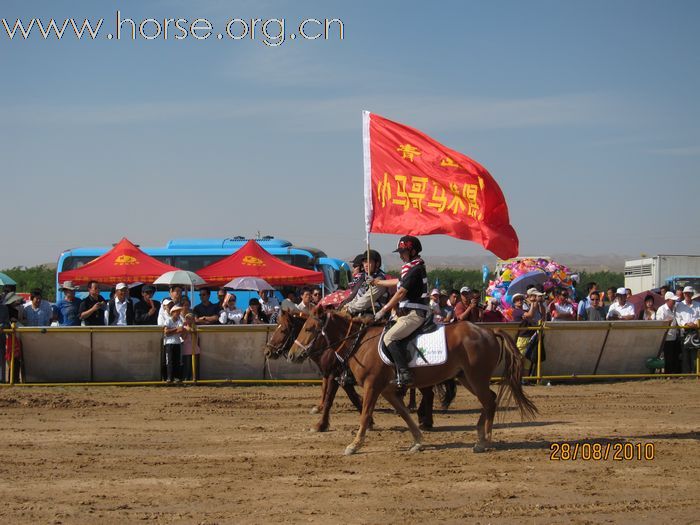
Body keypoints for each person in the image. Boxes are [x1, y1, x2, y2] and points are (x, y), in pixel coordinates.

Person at [371, 235, 429, 387]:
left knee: (389, 338)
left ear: (413, 251)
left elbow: (401, 292)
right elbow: (398, 281)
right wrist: (377, 282)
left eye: (403, 252)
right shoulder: (411, 269)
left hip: (414, 315)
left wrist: (384, 310)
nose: (401, 255)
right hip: (405, 313)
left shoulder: (416, 269)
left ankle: (404, 373)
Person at [340, 250, 388, 316]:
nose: (366, 265)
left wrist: (348, 309)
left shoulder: (380, 281)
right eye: (365, 262)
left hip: (374, 316)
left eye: (369, 262)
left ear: (377, 264)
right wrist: (345, 307)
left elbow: (366, 301)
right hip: (361, 314)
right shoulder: (365, 280)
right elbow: (357, 298)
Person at [675, 286, 700, 373]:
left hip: (695, 332)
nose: (687, 295)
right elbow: (678, 318)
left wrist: (695, 324)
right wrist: (686, 324)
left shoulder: (698, 305)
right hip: (684, 332)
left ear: (692, 294)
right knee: (685, 354)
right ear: (684, 294)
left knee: (694, 354)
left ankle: (694, 373)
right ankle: (686, 374)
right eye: (686, 293)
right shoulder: (679, 305)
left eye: (689, 293)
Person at [656, 291, 681, 373]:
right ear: (667, 300)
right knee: (667, 357)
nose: (674, 302)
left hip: (674, 336)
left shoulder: (675, 308)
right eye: (672, 300)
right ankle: (667, 374)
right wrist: (666, 321)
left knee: (674, 356)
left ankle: (672, 374)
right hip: (666, 337)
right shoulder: (661, 309)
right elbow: (659, 323)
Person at [163, 305, 184, 383]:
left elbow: (180, 330)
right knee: (170, 361)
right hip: (170, 343)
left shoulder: (179, 320)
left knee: (176, 361)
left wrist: (171, 331)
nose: (178, 313)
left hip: (176, 343)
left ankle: (175, 377)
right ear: (173, 312)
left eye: (179, 311)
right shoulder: (168, 320)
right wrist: (176, 329)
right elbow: (166, 332)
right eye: (177, 311)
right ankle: (169, 377)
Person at [181, 313, 200, 381]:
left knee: (195, 366)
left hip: (195, 348)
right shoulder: (183, 327)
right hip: (186, 349)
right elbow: (183, 337)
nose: (189, 320)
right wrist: (186, 330)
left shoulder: (195, 327)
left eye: (191, 319)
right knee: (187, 365)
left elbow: (195, 333)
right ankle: (186, 378)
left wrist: (190, 329)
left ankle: (195, 378)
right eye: (188, 319)